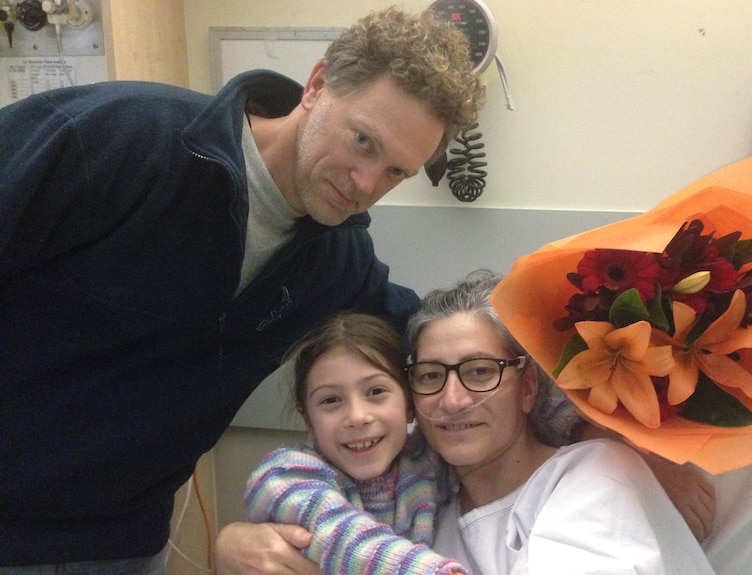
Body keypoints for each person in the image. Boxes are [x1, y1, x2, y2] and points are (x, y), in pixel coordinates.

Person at [0, 6, 484, 572]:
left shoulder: (334, 262)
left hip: (121, 544)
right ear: (318, 84)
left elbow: (435, 334)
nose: (366, 184)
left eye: (396, 172)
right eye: (362, 142)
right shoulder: (115, 139)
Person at [406, 270, 716, 574]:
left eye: (480, 371)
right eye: (430, 376)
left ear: (528, 386)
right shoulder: (421, 525)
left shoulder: (599, 472)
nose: (452, 400)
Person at [243, 312, 466, 575]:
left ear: (409, 404)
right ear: (309, 420)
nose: (357, 417)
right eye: (330, 400)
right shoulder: (283, 477)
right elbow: (346, 540)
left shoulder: (428, 460)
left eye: (376, 392)